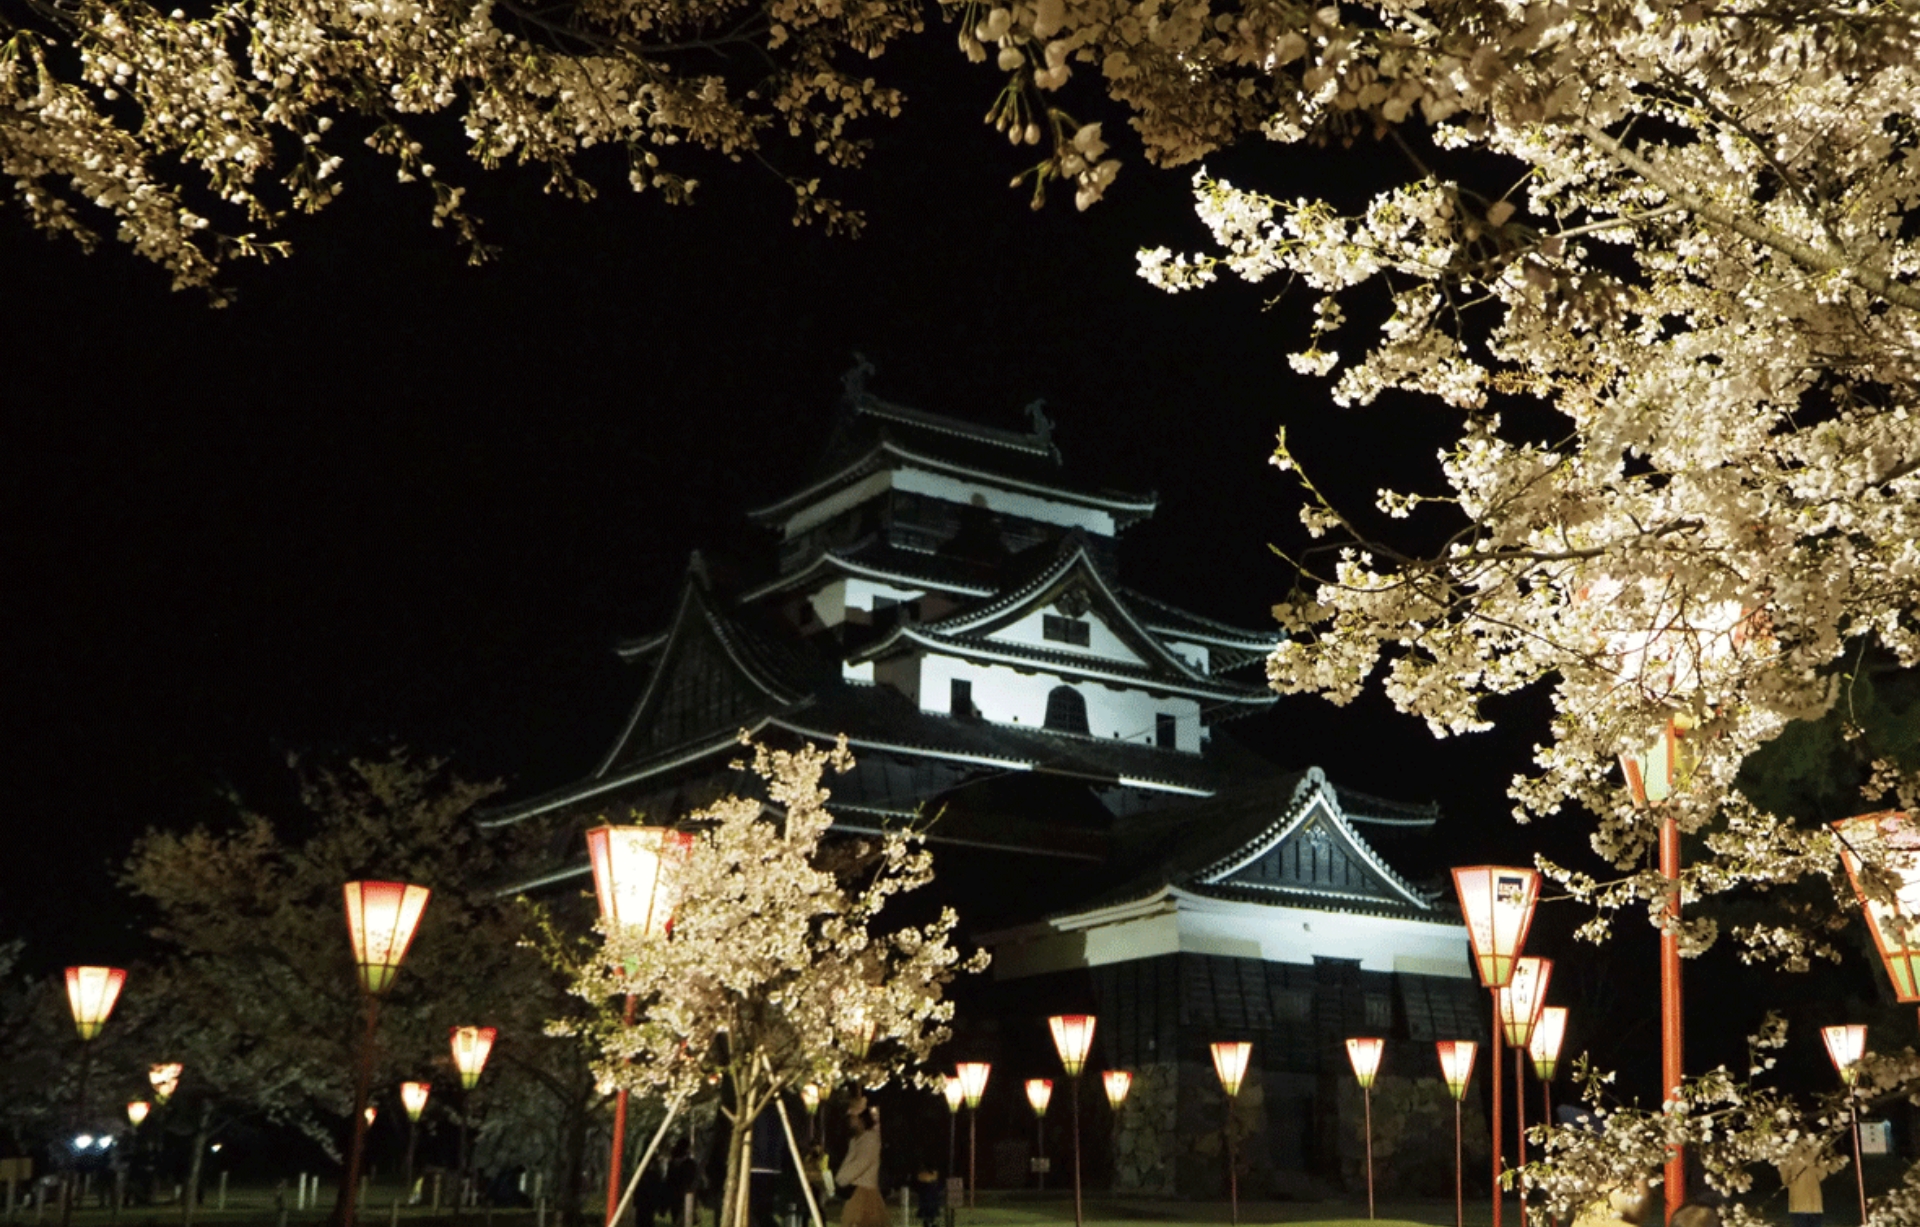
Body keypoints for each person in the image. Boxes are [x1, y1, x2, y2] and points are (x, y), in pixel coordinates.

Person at [836, 1101, 888, 1227]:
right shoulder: (857, 1140)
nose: (850, 1122)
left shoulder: (870, 1139)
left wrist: (841, 1178)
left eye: (852, 1118)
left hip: (864, 1194)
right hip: (856, 1192)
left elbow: (861, 1163)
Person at [1776, 1136, 1841, 1227]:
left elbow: (1821, 1175)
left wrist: (1818, 1166)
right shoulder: (1792, 1156)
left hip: (1812, 1204)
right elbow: (1786, 1180)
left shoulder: (1812, 1156)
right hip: (1802, 1205)